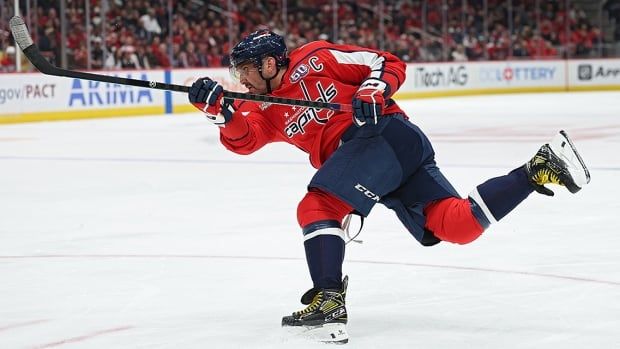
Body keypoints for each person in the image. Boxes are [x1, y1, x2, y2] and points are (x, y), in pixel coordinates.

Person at [188, 30, 590, 343]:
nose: (240, 78)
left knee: (318, 208)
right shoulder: (259, 105)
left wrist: (373, 88)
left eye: (245, 69)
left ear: (271, 62)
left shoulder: (317, 58)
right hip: (382, 157)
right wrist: (219, 112)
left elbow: (382, 62)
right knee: (457, 226)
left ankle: (328, 302)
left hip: (382, 135)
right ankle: (538, 168)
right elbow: (245, 140)